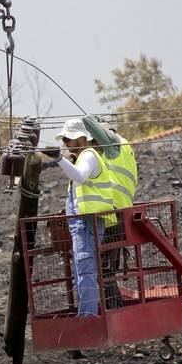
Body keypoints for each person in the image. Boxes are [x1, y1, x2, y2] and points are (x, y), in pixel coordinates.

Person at [41, 119, 114, 317]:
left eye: (68, 138)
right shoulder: (84, 157)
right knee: (83, 271)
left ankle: (88, 316)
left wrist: (59, 159)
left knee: (85, 271)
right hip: (82, 223)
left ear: (81, 138)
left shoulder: (89, 156)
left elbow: (80, 177)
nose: (65, 141)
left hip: (87, 223)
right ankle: (87, 313)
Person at [82, 115, 138, 309]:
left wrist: (89, 119)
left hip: (114, 214)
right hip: (119, 213)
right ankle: (113, 306)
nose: (94, 147)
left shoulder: (114, 145)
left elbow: (88, 122)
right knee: (106, 267)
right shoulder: (123, 151)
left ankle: (114, 308)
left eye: (94, 142)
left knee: (103, 268)